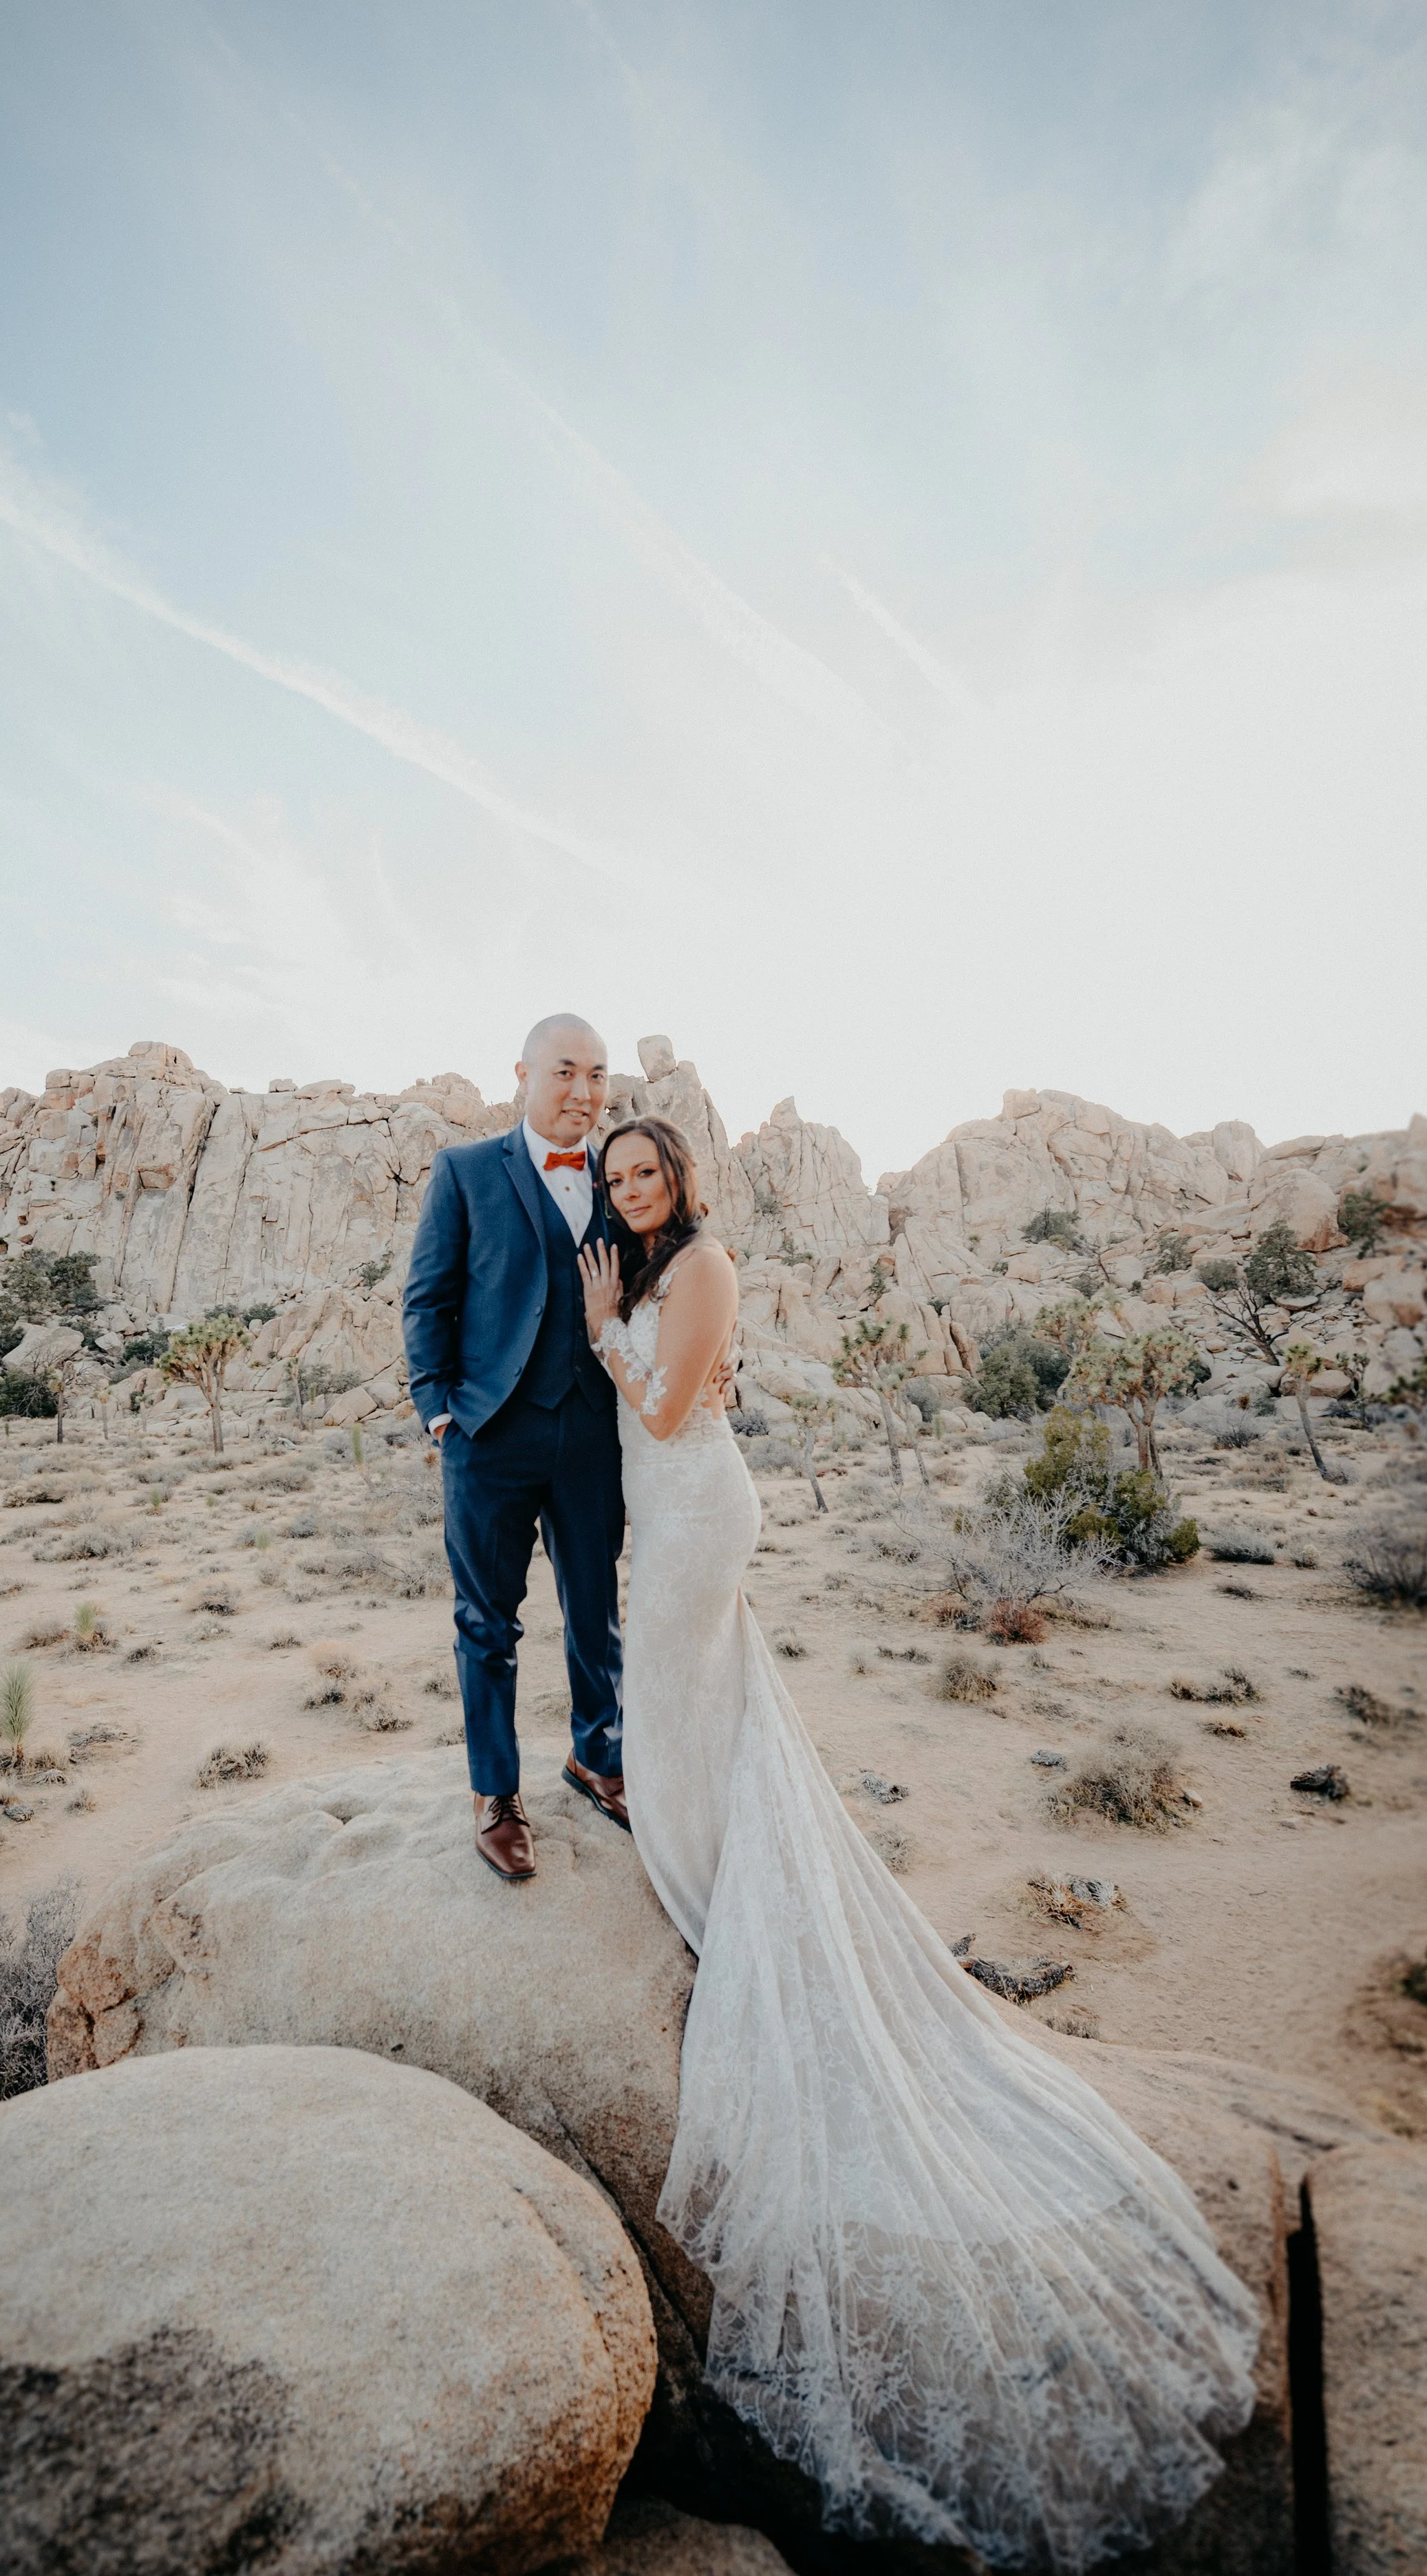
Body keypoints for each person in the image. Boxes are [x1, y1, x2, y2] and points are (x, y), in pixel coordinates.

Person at [578, 1114, 1260, 2576]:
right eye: (618, 1180)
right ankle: (709, 1876)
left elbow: (661, 1410)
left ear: (679, 1182)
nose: (633, 1192)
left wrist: (599, 1332)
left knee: (691, 1704)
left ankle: (722, 1900)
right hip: (665, 1518)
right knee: (689, 1709)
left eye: (648, 1175)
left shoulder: (696, 1264)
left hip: (694, 1507)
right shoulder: (641, 1258)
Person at [402, 1014, 630, 1882]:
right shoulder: (465, 1171)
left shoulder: (620, 1173)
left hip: (592, 1433)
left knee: (593, 1609)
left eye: (599, 1075)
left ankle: (596, 1757)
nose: (584, 1091)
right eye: (566, 1071)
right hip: (488, 1434)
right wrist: (437, 1410)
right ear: (524, 1076)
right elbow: (428, 1297)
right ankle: (495, 1792)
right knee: (485, 1624)